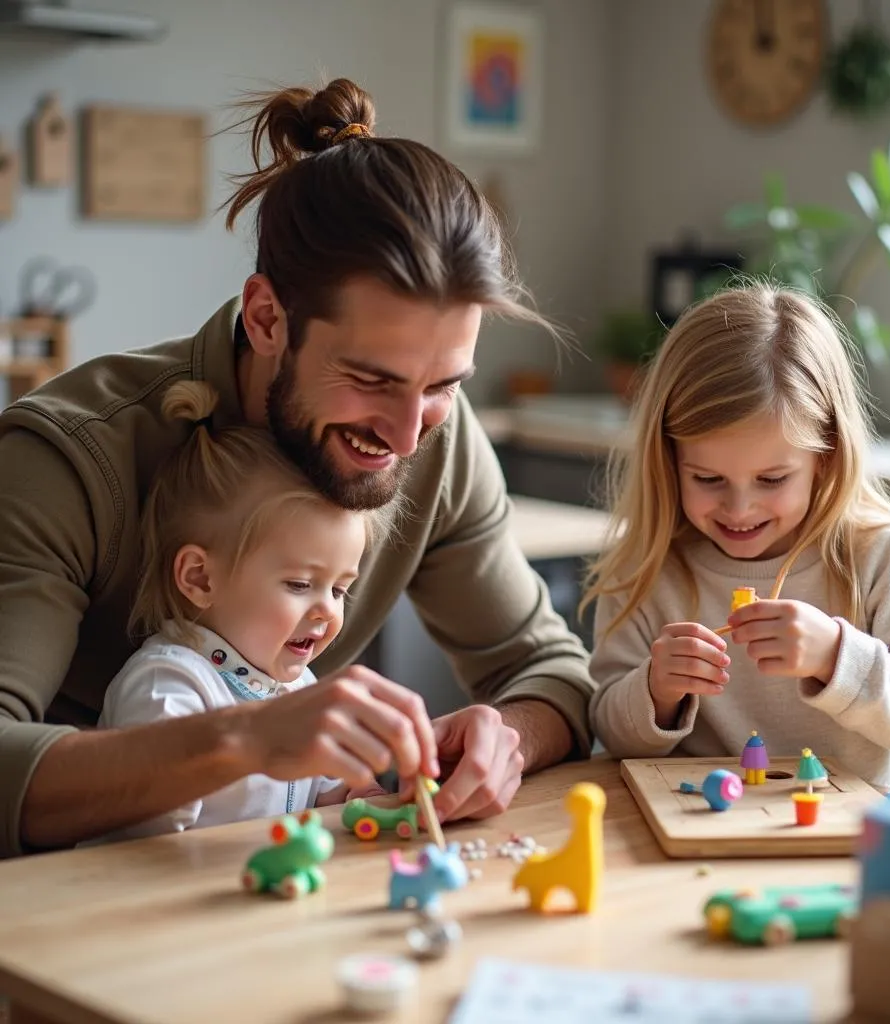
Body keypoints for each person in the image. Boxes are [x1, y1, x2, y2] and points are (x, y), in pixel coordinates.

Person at [0, 77, 595, 859]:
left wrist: (505, 735)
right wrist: (243, 738)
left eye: (444, 386)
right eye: (373, 380)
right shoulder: (68, 458)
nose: (410, 436)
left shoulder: (436, 444)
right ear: (267, 318)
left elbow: (552, 672)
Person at [582, 284, 890, 793]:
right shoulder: (647, 565)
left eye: (772, 480)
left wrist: (838, 657)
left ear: (826, 458)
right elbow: (608, 732)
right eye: (707, 480)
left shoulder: (877, 554)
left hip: (857, 844)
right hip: (698, 835)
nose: (739, 508)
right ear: (669, 461)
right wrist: (655, 690)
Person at [89, 380, 384, 841]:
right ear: (200, 579)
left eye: (340, 590)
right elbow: (145, 824)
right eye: (300, 584)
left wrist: (370, 796)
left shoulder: (297, 686)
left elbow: (338, 791)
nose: (327, 610)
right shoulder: (167, 684)